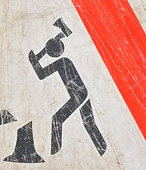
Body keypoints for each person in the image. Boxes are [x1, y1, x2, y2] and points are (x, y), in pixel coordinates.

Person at [28, 19, 106, 156]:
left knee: (59, 119)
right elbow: (42, 74)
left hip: (79, 95)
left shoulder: (63, 62)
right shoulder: (64, 61)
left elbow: (41, 74)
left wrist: (36, 58)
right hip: (80, 94)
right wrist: (42, 52)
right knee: (87, 122)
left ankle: (56, 152)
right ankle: (102, 148)